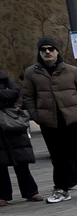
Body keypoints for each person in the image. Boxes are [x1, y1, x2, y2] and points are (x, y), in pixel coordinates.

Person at [22, 37, 77, 204]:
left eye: (51, 49)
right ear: (39, 52)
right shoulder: (31, 73)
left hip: (76, 120)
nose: (47, 52)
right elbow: (28, 97)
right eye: (43, 49)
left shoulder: (71, 70)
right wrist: (36, 115)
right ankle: (61, 189)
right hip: (50, 122)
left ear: (57, 51)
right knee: (58, 157)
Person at [0, 67, 40, 206]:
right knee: (0, 164)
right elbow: (8, 95)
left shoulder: (4, 77)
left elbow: (15, 93)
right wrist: (4, 96)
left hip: (11, 124)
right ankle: (3, 195)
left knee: (21, 161)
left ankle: (30, 192)